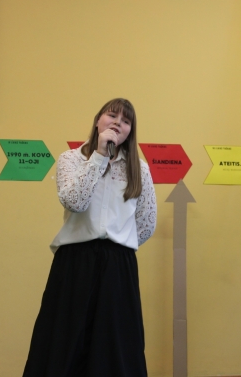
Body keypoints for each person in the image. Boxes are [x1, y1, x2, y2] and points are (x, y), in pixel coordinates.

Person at [22, 98, 157, 377]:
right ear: (98, 121)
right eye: (112, 116)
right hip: (75, 261)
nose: (118, 123)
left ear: (130, 131)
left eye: (126, 121)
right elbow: (74, 201)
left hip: (118, 266)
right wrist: (99, 156)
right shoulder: (71, 159)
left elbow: (146, 223)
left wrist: (119, 244)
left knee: (116, 344)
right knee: (64, 341)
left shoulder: (139, 169)